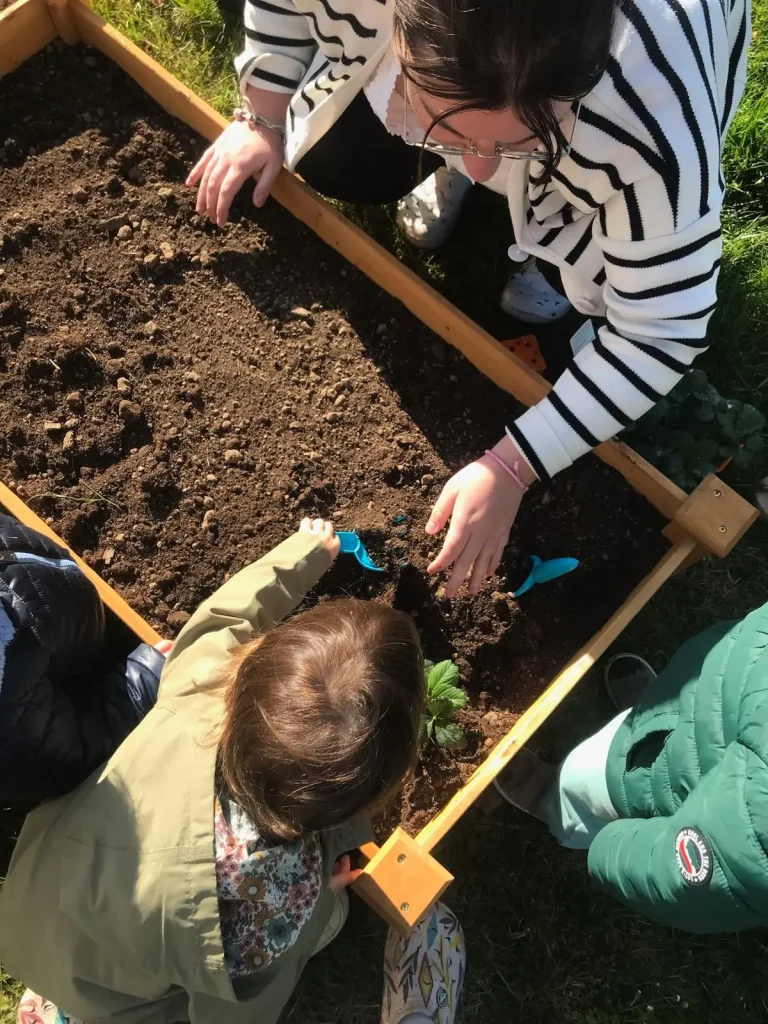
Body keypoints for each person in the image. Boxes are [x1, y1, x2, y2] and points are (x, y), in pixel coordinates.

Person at [186, 0, 750, 599]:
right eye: (449, 129)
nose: (480, 168)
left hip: (622, 116)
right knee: (342, 158)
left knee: (597, 254)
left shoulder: (653, 122)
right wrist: (264, 117)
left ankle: (556, 241)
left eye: (517, 140)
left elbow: (660, 332)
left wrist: (514, 464)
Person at [1, 518, 465, 1024]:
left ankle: (55, 1001)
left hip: (30, 905)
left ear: (251, 669)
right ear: (359, 797)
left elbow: (224, 617)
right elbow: (237, 1013)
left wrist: (305, 552)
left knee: (114, 944)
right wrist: (318, 904)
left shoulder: (200, 684)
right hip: (121, 999)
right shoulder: (279, 902)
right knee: (333, 916)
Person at [494, 603, 768, 932]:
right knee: (676, 696)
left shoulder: (757, 822)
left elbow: (694, 874)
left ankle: (557, 801)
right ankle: (649, 714)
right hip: (715, 684)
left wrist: (608, 848)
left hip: (654, 777)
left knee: (584, 782)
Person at [0, 512, 163, 806]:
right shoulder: (10, 730)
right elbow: (71, 756)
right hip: (61, 680)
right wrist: (148, 677)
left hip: (54, 607)